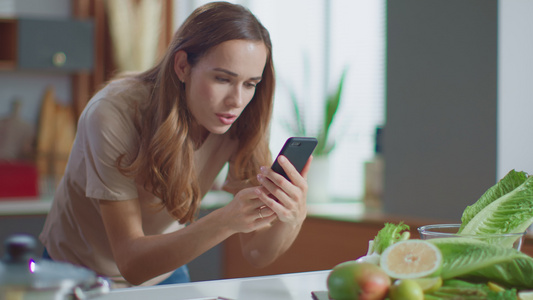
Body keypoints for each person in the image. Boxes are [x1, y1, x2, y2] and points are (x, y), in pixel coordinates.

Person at [39, 1, 312, 287]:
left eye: (250, 84)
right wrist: (225, 221)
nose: (237, 101)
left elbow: (256, 253)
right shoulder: (112, 113)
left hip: (163, 268)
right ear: (182, 66)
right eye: (222, 79)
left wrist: (292, 217)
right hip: (76, 273)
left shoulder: (242, 122)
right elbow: (131, 263)